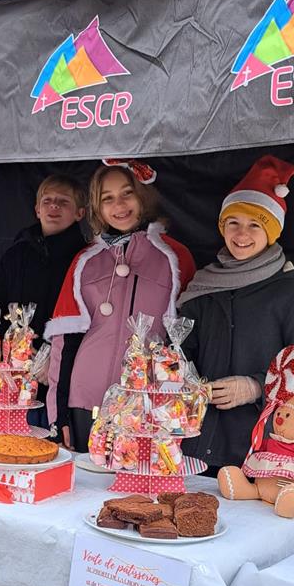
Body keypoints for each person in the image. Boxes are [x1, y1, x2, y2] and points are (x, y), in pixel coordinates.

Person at [178, 154, 294, 470]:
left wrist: (255, 387)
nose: (241, 235)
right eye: (233, 223)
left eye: (254, 225)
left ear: (272, 231)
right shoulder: (203, 287)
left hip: (259, 452)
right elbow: (180, 355)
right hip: (192, 443)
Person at [45, 161, 195, 452]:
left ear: (144, 196)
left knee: (137, 496)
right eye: (107, 198)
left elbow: (189, 341)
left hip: (151, 407)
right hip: (86, 402)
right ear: (97, 207)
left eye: (127, 193)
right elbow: (65, 343)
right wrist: (58, 414)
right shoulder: (85, 261)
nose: (119, 205)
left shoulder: (174, 258)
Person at [0, 174, 87, 347]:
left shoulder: (86, 259)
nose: (54, 205)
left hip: (65, 360)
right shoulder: (15, 255)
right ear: (37, 210)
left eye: (64, 201)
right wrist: (9, 344)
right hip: (14, 360)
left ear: (80, 213)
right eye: (47, 200)